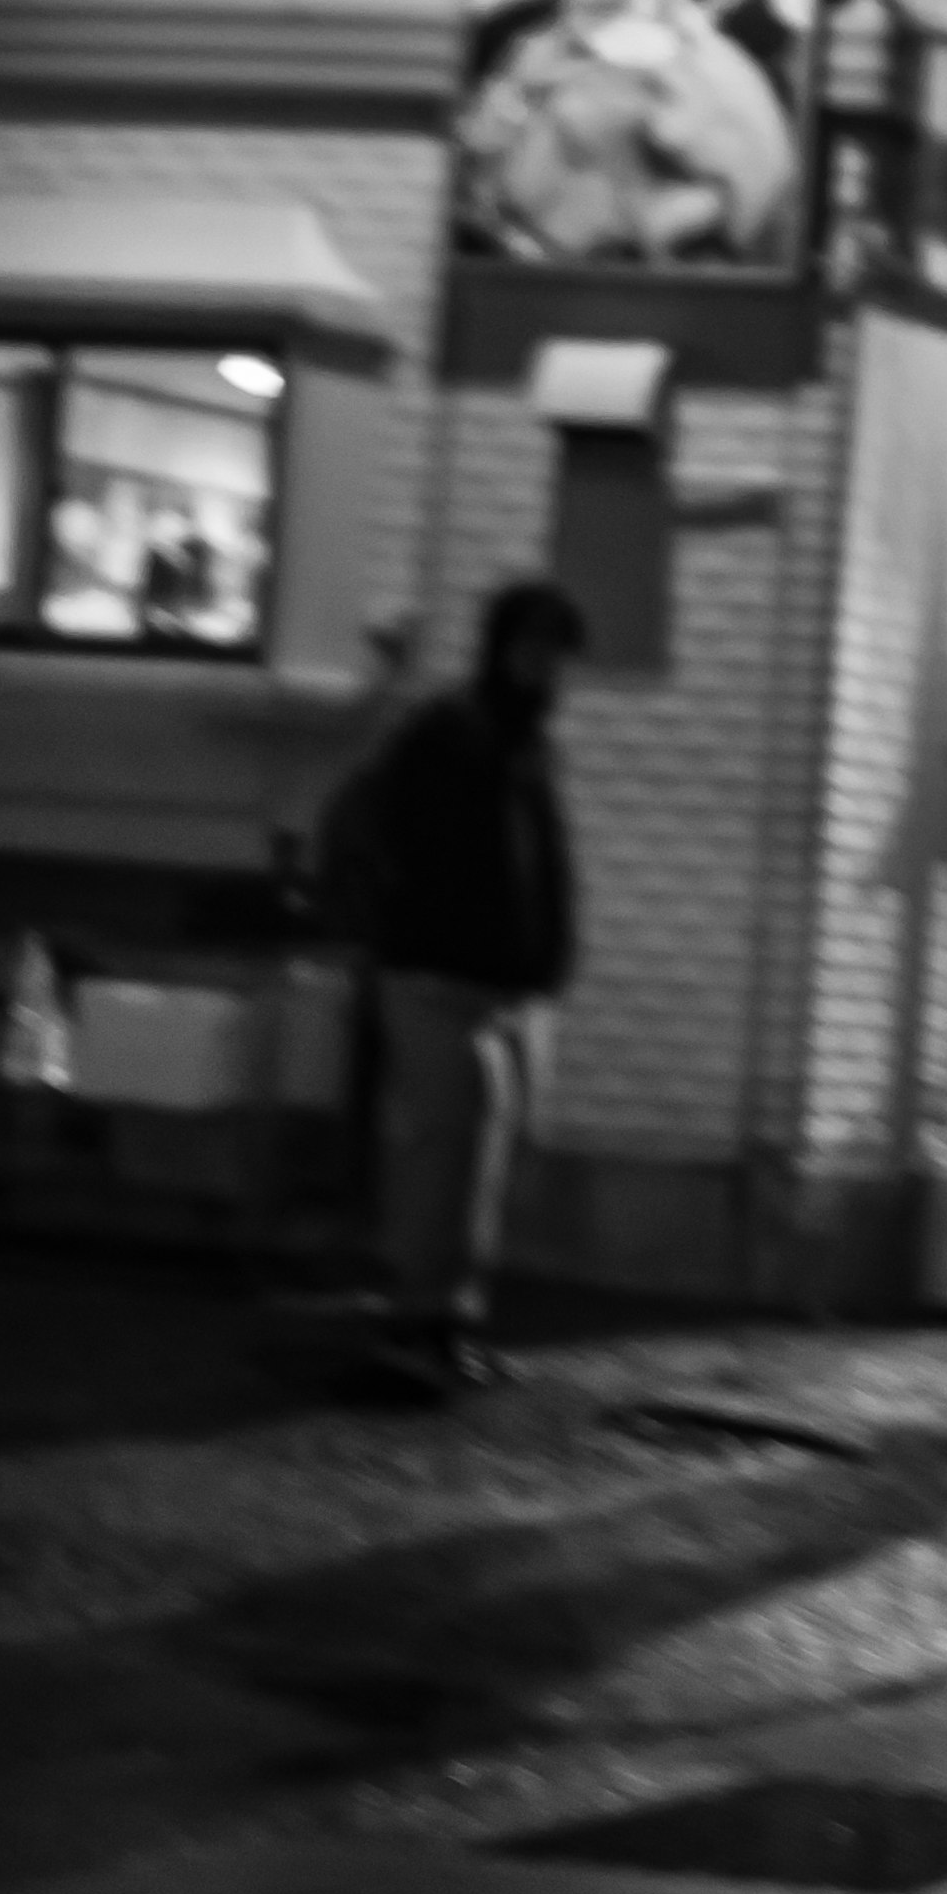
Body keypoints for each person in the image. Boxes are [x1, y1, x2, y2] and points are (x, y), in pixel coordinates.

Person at [318, 580, 585, 1395]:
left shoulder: (526, 743)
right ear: (501, 649)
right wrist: (393, 922)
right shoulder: (447, 732)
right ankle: (412, 1320)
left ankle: (450, 1321)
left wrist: (546, 957)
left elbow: (542, 863)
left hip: (496, 986)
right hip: (436, 979)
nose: (545, 670)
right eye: (533, 650)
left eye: (555, 656)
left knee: (480, 1156)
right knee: (440, 1154)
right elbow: (354, 820)